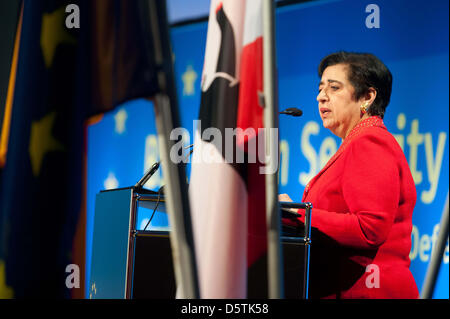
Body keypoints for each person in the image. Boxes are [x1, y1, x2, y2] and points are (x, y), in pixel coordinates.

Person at [279, 51, 419, 299]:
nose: (321, 97)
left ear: (367, 96)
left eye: (334, 88)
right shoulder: (356, 142)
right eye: (321, 88)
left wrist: (299, 214)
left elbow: (369, 229)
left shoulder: (370, 141)